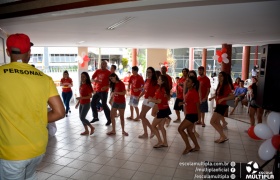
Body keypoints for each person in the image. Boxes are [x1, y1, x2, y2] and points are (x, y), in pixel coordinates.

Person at [0, 33, 65, 179]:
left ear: (8, 52)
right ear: (29, 53)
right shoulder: (44, 78)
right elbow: (60, 112)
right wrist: (37, 118)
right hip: (37, 149)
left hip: (11, 151)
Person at [209, 71, 234, 143]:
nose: (219, 77)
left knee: (212, 122)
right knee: (217, 122)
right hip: (219, 105)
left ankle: (223, 136)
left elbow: (232, 96)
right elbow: (219, 95)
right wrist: (212, 98)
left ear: (224, 77)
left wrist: (223, 99)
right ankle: (222, 136)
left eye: (221, 76)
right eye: (219, 76)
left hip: (222, 105)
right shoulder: (220, 85)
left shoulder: (226, 86)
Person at [178, 76, 200, 154]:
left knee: (180, 129)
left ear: (193, 84)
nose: (186, 82)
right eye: (186, 81)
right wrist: (183, 103)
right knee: (190, 131)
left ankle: (188, 146)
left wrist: (199, 118)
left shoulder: (194, 92)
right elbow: (189, 101)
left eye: (188, 81)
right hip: (189, 114)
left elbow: (198, 105)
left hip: (192, 115)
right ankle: (197, 146)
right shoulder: (189, 91)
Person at [149, 75, 171, 148]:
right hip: (165, 109)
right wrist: (153, 98)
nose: (157, 80)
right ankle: (165, 143)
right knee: (161, 126)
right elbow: (159, 98)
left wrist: (151, 100)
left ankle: (160, 142)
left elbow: (159, 101)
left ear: (163, 81)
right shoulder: (161, 88)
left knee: (153, 126)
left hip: (163, 110)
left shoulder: (162, 89)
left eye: (159, 79)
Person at [138, 67, 158, 138]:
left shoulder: (154, 81)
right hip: (145, 99)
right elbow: (144, 90)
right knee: (143, 116)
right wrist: (139, 96)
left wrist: (154, 98)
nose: (148, 73)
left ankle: (152, 130)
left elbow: (158, 91)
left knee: (141, 116)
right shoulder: (146, 80)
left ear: (153, 73)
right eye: (147, 72)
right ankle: (145, 133)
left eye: (150, 72)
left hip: (150, 100)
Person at [90, 60, 111, 126]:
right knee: (93, 103)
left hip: (104, 91)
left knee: (104, 105)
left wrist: (106, 87)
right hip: (97, 90)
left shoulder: (109, 72)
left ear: (106, 65)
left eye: (104, 64)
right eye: (102, 64)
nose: (102, 65)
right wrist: (94, 80)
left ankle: (109, 119)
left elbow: (112, 83)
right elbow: (91, 79)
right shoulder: (97, 71)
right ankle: (95, 117)